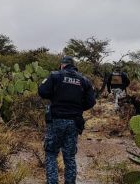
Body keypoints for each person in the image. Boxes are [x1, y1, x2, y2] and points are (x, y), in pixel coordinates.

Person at [38, 56, 96, 184]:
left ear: (62, 65)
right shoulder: (84, 80)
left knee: (51, 153)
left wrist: (54, 95)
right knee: (69, 156)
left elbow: (42, 91)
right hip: (74, 121)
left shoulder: (55, 75)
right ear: (73, 66)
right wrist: (78, 107)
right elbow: (91, 101)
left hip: (56, 120)